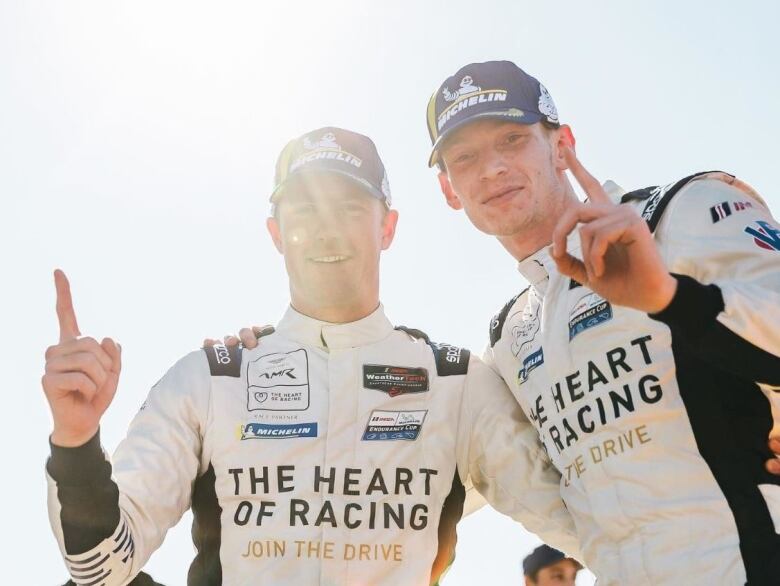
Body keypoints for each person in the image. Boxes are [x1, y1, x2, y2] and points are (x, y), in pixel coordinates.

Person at [43, 127, 581, 586]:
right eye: (304, 210)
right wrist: (75, 438)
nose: (326, 228)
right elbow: (99, 568)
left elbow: (592, 528)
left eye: (348, 206)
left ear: (387, 227)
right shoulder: (210, 379)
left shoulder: (457, 384)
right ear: (276, 234)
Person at [424, 60, 780, 584]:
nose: (491, 169)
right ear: (450, 191)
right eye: (465, 158)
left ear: (563, 145)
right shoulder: (508, 336)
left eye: (512, 139)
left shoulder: (678, 210)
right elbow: (462, 472)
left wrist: (668, 297)